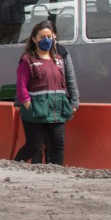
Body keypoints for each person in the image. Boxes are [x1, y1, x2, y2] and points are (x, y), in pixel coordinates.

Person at [14, 21, 74, 166]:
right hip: (36, 111)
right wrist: (28, 104)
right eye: (42, 37)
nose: (46, 40)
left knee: (58, 145)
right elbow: (21, 85)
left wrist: (72, 103)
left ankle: (57, 174)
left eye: (49, 36)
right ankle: (13, 166)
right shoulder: (28, 60)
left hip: (57, 110)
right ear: (34, 39)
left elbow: (68, 82)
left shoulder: (59, 60)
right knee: (34, 145)